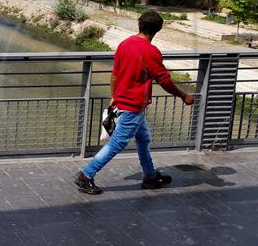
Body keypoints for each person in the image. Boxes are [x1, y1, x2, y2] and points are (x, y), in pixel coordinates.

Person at [74, 10, 195, 195]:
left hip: (126, 103)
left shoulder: (124, 44)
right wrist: (183, 95)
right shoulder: (151, 52)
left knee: (144, 139)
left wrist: (113, 96)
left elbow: (115, 74)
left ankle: (150, 177)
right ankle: (86, 175)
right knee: (117, 143)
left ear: (139, 24)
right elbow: (164, 81)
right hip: (132, 106)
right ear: (157, 30)